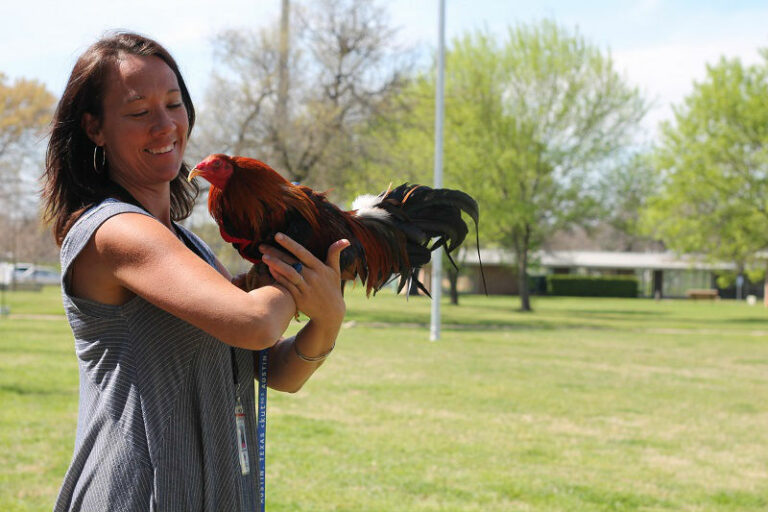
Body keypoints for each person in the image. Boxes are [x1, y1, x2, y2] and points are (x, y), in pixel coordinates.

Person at [42, 31, 348, 511]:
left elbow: (275, 370)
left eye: (174, 103)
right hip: (139, 495)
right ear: (95, 129)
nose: (165, 125)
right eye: (139, 112)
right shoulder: (116, 232)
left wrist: (326, 318)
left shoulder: (188, 246)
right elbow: (256, 323)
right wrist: (299, 265)